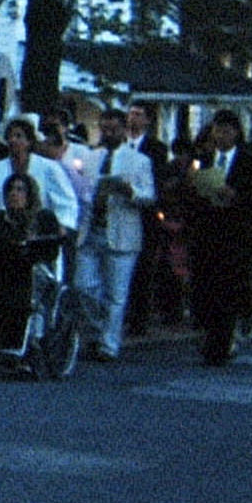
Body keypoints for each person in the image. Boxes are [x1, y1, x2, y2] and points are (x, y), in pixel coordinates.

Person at [183, 109, 252, 366]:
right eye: (217, 130)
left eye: (227, 130)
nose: (222, 135)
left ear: (236, 133)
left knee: (228, 290)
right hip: (206, 233)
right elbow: (190, 194)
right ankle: (211, 336)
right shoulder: (203, 159)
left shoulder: (250, 163)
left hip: (235, 235)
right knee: (205, 288)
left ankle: (221, 343)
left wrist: (236, 197)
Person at [73, 106, 157, 363]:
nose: (108, 132)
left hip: (122, 231)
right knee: (83, 285)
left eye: (113, 128)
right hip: (92, 229)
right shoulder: (90, 157)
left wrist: (128, 190)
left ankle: (109, 344)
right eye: (104, 128)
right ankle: (99, 329)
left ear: (123, 128)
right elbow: (80, 190)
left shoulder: (139, 160)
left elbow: (149, 196)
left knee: (116, 293)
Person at [0, 173, 65, 365]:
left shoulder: (43, 219)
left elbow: (49, 250)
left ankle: (16, 342)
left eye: (20, 190)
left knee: (15, 287)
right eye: (10, 190)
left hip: (27, 271)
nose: (14, 194)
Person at [121, 101, 178, 336]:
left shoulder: (156, 149)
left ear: (147, 120)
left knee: (143, 267)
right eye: (131, 114)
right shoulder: (118, 145)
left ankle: (138, 318)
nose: (133, 119)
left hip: (145, 215)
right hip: (121, 212)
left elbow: (157, 180)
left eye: (138, 115)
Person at [0, 117, 79, 228]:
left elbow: (66, 203)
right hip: (6, 230)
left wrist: (60, 226)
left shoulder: (49, 167)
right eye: (10, 136)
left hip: (41, 230)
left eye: (18, 136)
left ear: (29, 141)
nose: (13, 140)